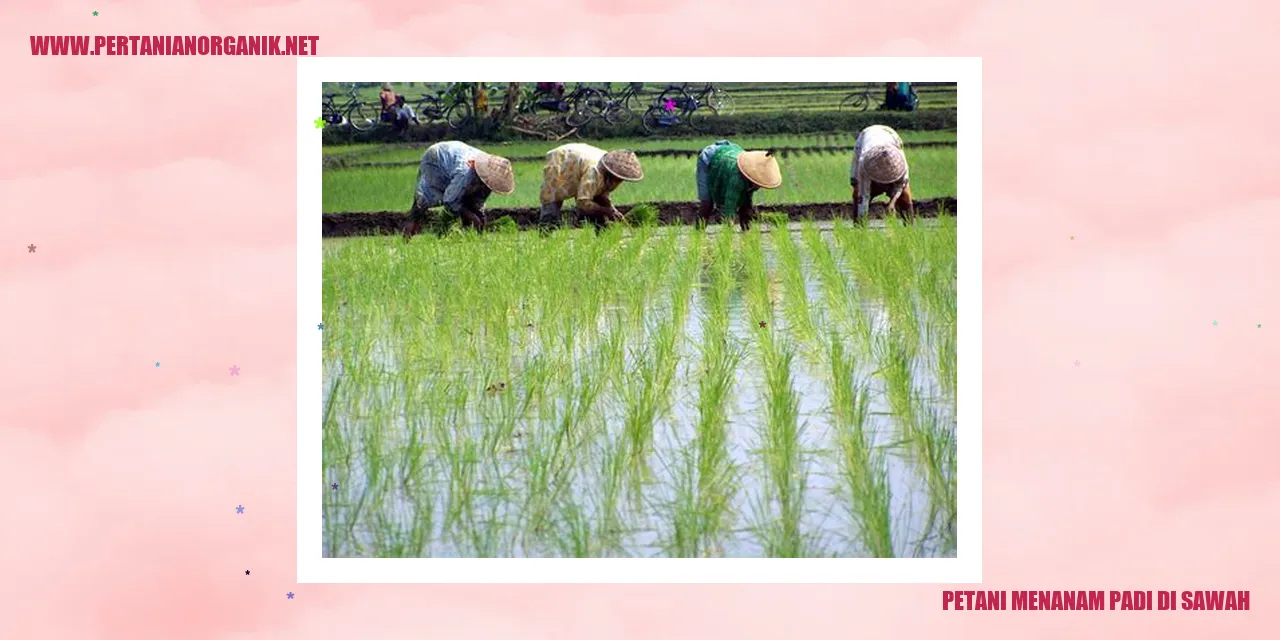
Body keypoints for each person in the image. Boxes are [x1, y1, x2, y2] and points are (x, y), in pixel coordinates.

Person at [402, 141, 515, 240]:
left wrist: (480, 217)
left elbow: (478, 203)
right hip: (437, 159)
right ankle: (406, 242)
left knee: (469, 207)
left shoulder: (487, 181)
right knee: (420, 205)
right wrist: (471, 216)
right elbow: (450, 200)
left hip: (454, 158)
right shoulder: (464, 172)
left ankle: (466, 239)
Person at [538, 143, 644, 230]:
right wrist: (605, 210)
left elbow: (602, 194)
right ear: (611, 174)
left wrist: (612, 210)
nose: (619, 182)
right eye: (618, 179)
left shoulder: (608, 169)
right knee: (552, 204)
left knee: (598, 206)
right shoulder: (594, 171)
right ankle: (544, 237)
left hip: (579, 162)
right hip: (561, 161)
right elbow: (583, 202)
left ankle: (603, 237)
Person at [695, 140, 783, 232]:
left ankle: (746, 230)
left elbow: (747, 200)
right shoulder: (737, 178)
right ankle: (698, 231)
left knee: (746, 204)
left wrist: (749, 214)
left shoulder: (752, 175)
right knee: (707, 203)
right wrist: (728, 224)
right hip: (710, 158)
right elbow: (730, 202)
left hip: (732, 151)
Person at [850, 124, 914, 221]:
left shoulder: (900, 163)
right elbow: (863, 196)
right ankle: (859, 228)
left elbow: (901, 185)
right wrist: (862, 215)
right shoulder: (864, 165)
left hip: (891, 135)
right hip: (866, 138)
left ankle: (910, 226)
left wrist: (892, 202)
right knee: (857, 193)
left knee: (905, 195)